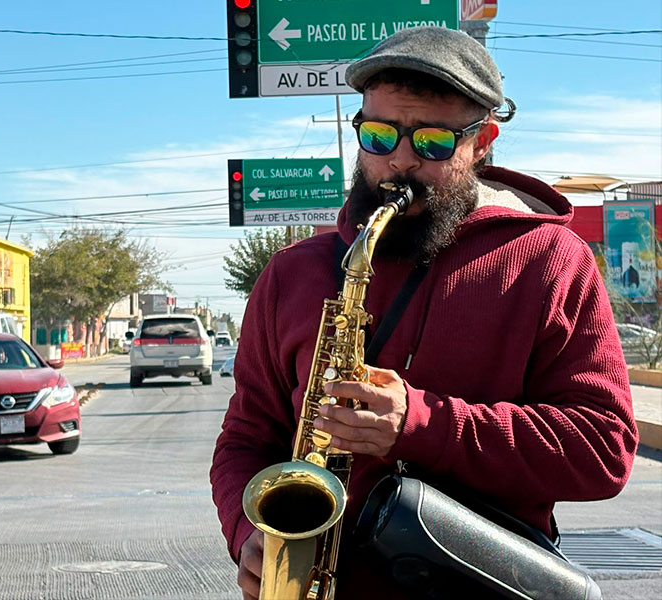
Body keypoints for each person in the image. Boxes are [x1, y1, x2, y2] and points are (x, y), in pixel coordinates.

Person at [210, 26, 637, 599]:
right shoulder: (292, 275)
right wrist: (246, 535)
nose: (399, 163)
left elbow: (602, 449)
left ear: (482, 140)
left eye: (432, 143)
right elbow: (245, 439)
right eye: (380, 136)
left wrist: (419, 423)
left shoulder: (552, 261)